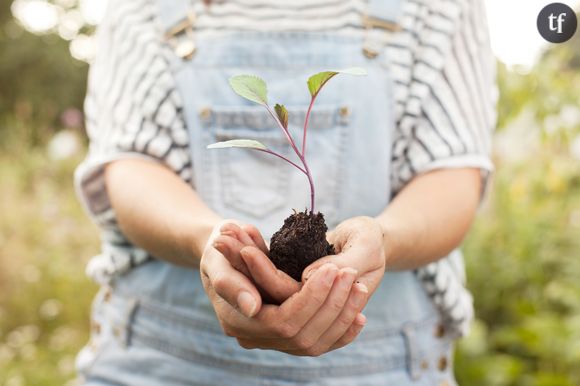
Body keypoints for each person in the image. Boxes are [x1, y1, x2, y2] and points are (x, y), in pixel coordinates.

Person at [74, 0, 496, 384]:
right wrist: (208, 241)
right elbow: (133, 169)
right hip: (159, 363)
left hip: (380, 366)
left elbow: (451, 176)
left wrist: (380, 238)